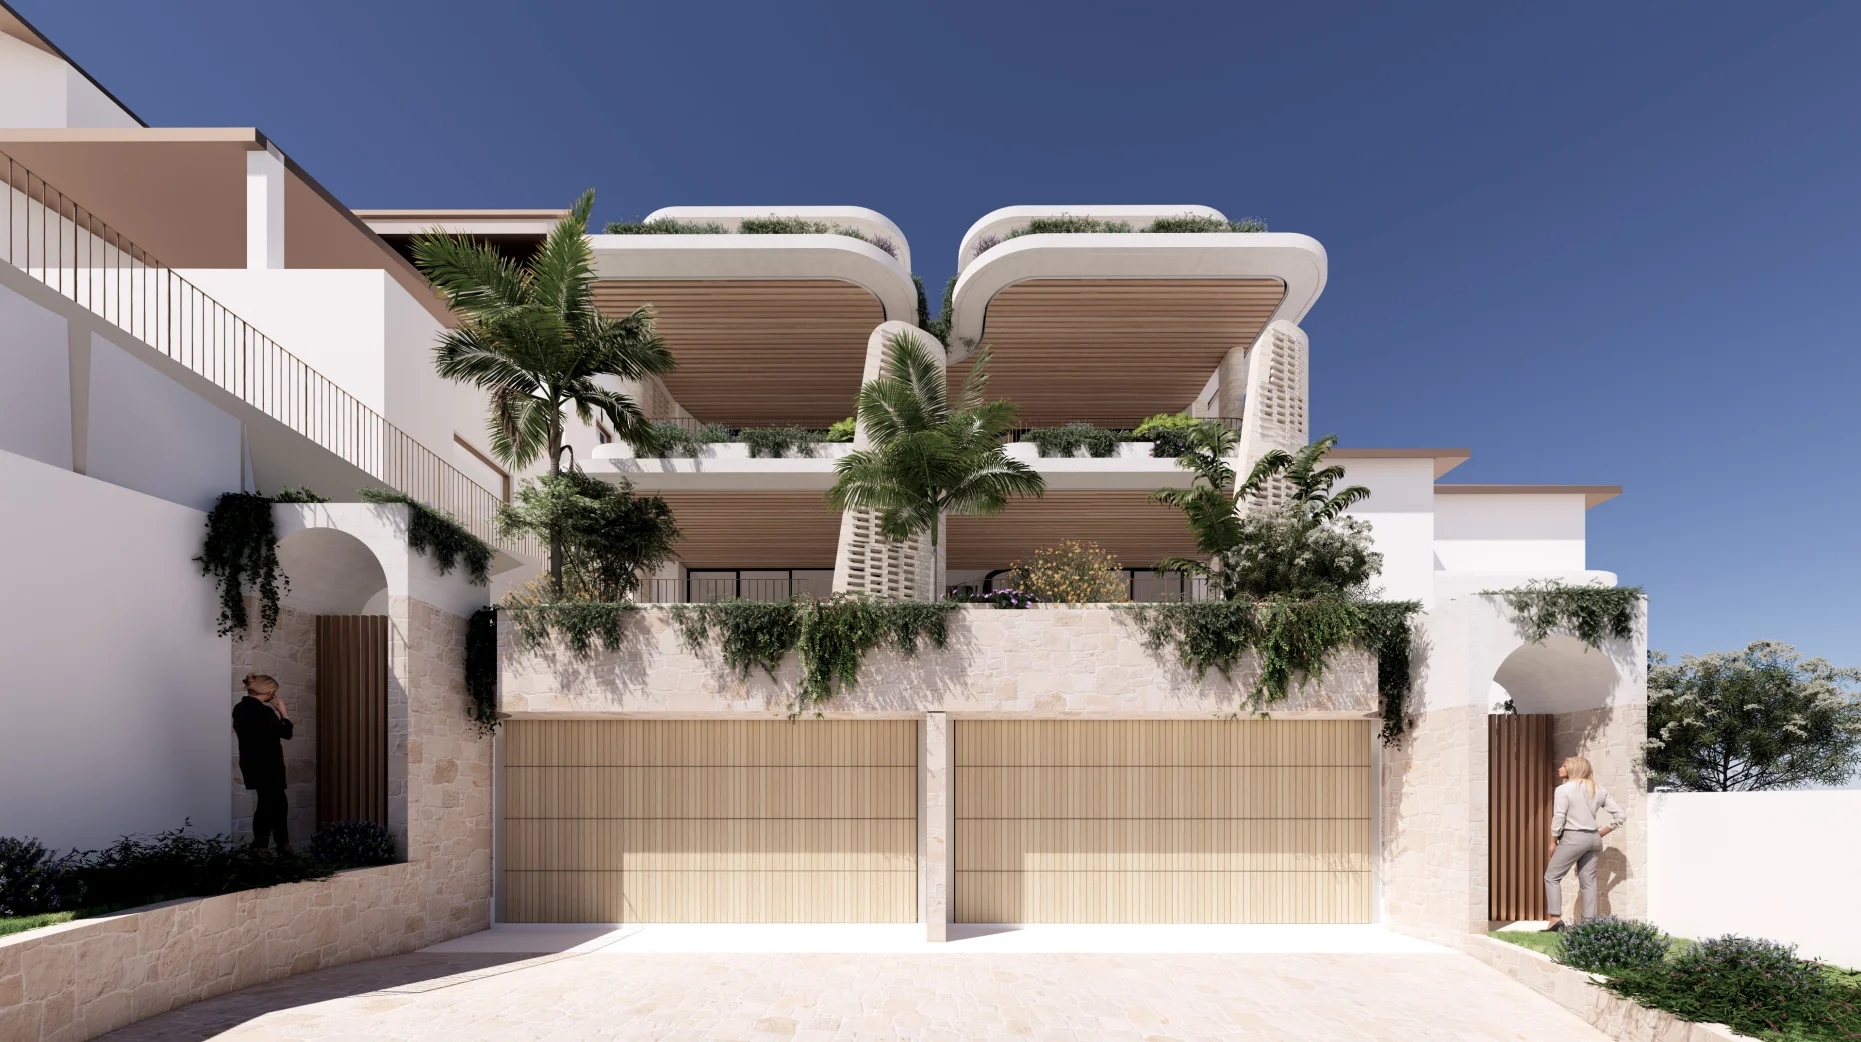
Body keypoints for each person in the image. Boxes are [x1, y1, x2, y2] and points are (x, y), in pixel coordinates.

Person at [1544, 755, 1626, 931]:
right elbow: (1621, 815)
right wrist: (1600, 833)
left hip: (1573, 838)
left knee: (1552, 877)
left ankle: (1555, 919)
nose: (1560, 768)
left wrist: (1553, 841)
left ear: (1572, 768)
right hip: (1593, 840)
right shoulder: (1598, 789)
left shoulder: (1563, 790)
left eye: (1563, 765)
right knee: (1588, 883)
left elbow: (1559, 817)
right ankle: (1589, 925)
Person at [233, 673, 294, 854]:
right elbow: (287, 733)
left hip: (252, 764)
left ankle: (269, 845)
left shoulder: (239, 708)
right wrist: (283, 712)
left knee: (271, 803)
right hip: (269, 765)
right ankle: (268, 846)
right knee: (273, 805)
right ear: (271, 692)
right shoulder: (265, 711)